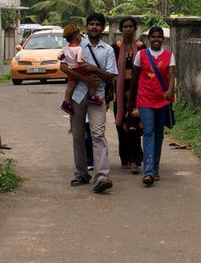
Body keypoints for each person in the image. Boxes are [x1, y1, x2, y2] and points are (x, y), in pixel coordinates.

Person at [60, 13, 117, 193]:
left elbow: (110, 77)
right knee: (78, 136)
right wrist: (85, 80)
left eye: (98, 24)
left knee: (98, 135)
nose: (94, 27)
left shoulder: (107, 50)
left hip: (97, 97)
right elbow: (63, 66)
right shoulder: (76, 44)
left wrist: (93, 70)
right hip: (77, 96)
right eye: (91, 24)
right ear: (86, 27)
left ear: (102, 28)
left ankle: (101, 177)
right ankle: (81, 173)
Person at [129, 26, 175, 186]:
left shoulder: (169, 56)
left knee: (159, 134)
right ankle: (148, 171)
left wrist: (170, 90)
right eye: (153, 37)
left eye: (159, 37)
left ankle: (155, 167)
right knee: (148, 132)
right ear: (149, 39)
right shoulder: (141, 55)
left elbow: (171, 76)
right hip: (145, 99)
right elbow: (135, 79)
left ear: (163, 39)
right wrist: (131, 101)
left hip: (162, 99)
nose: (156, 39)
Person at [112, 17, 146, 174]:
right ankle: (124, 159)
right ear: (121, 29)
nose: (127, 29)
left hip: (137, 94)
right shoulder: (115, 48)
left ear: (134, 29)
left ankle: (134, 160)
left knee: (133, 126)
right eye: (125, 26)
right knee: (122, 127)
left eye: (130, 26)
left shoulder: (141, 47)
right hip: (119, 95)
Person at [58, 24, 102, 115]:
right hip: (78, 68)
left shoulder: (65, 48)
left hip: (71, 69)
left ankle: (66, 102)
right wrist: (86, 65)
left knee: (71, 86)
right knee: (94, 78)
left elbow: (59, 57)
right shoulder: (78, 48)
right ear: (77, 37)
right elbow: (79, 61)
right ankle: (92, 95)